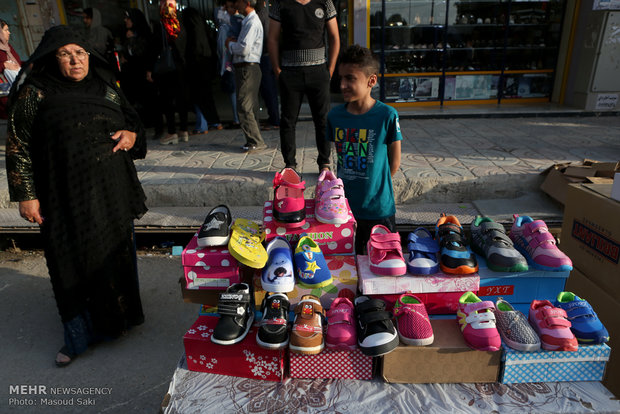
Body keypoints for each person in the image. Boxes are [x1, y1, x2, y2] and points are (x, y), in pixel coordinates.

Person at [5, 25, 148, 367]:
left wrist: (130, 135)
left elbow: (134, 124)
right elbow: (18, 145)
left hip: (111, 192)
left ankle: (118, 322)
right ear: (52, 59)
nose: (75, 60)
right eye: (65, 54)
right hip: (62, 195)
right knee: (70, 264)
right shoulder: (36, 94)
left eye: (80, 53)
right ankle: (78, 338)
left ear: (89, 55)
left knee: (116, 258)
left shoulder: (106, 88)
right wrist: (27, 195)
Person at [326, 45, 402, 255]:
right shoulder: (335, 116)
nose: (342, 85)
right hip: (343, 211)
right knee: (348, 265)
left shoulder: (387, 115)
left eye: (350, 78)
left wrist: (373, 188)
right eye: (340, 78)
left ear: (371, 81)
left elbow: (394, 163)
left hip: (379, 211)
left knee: (381, 265)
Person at [268, 0, 340, 171]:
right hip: (290, 74)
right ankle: (290, 164)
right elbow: (272, 38)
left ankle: (324, 162)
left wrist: (329, 70)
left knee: (322, 120)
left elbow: (335, 37)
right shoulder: (280, 4)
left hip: (318, 72)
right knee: (288, 121)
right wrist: (277, 70)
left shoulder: (325, 2)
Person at [226, 0, 266, 151]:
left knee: (244, 105)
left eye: (238, 1)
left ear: (247, 2)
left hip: (248, 67)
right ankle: (253, 140)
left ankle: (256, 141)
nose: (236, 5)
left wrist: (229, 45)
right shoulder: (247, 21)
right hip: (246, 68)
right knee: (249, 105)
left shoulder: (251, 22)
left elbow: (244, 49)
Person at [148, 0, 190, 145]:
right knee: (180, 98)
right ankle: (183, 130)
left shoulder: (162, 25)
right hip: (180, 66)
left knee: (167, 100)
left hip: (166, 67)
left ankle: (172, 132)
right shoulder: (180, 23)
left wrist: (150, 69)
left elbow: (155, 48)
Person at [182, 6, 223, 133]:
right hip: (206, 65)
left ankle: (202, 125)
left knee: (198, 97)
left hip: (196, 67)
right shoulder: (204, 34)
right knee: (206, 96)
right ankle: (213, 122)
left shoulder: (190, 36)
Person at [120, 8, 161, 130]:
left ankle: (155, 125)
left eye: (128, 18)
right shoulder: (127, 34)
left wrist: (133, 39)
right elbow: (126, 54)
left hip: (143, 73)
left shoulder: (145, 34)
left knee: (150, 100)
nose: (125, 21)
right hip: (132, 74)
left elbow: (143, 53)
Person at [217, 0, 243, 128]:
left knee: (235, 89)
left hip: (231, 61)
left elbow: (222, 48)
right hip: (230, 61)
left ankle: (238, 118)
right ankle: (238, 117)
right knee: (234, 88)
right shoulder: (227, 25)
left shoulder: (234, 22)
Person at [255, 0, 279, 130]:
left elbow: (266, 39)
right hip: (266, 56)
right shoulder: (266, 14)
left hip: (264, 56)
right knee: (269, 90)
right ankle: (273, 118)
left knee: (268, 89)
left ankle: (274, 119)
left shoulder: (261, 15)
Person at [0, 19, 22, 118]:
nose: (9, 32)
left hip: (17, 92)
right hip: (4, 100)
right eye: (6, 30)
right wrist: (3, 65)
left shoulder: (7, 47)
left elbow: (18, 64)